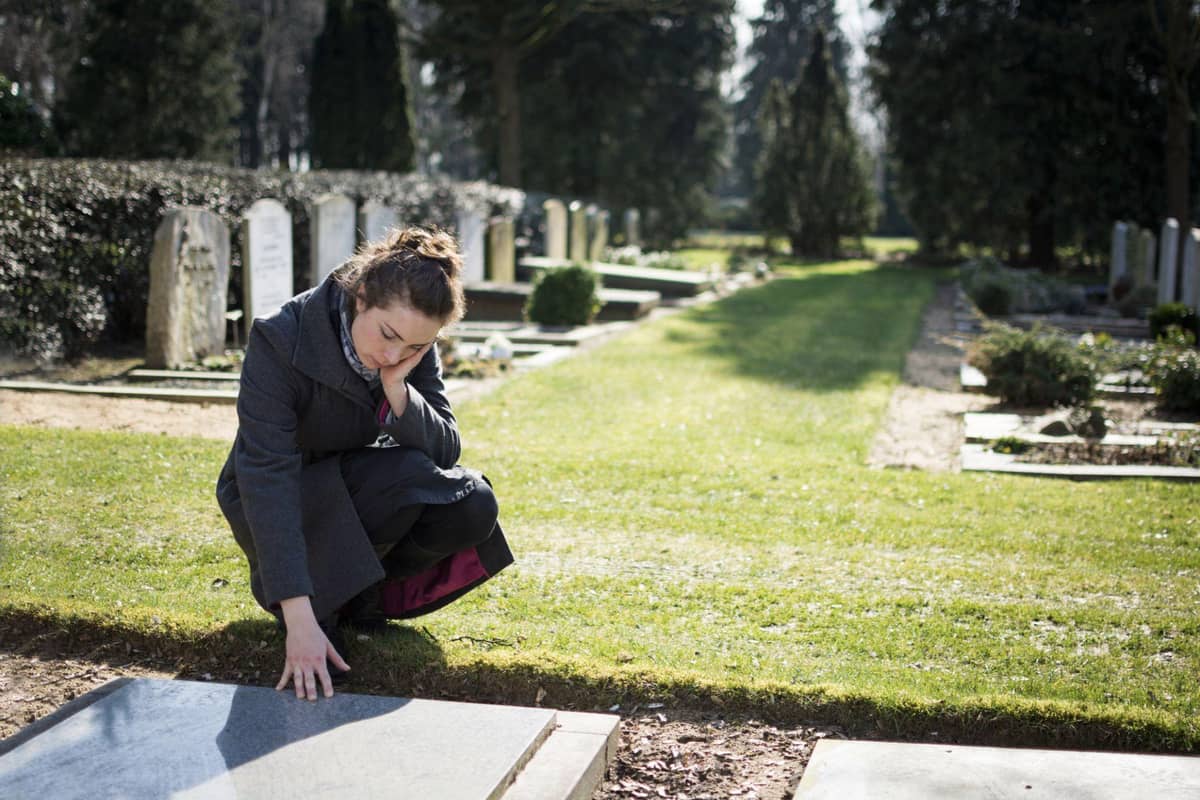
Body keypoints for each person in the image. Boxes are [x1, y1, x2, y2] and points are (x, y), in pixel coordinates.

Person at [216, 225, 512, 702]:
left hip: (362, 485)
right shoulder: (278, 339)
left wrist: (398, 389)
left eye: (415, 347)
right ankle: (316, 605)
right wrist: (299, 620)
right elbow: (267, 480)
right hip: (280, 497)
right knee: (405, 477)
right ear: (360, 297)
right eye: (388, 335)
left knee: (472, 502)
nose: (394, 354)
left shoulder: (411, 342)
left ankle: (359, 600)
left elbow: (445, 447)